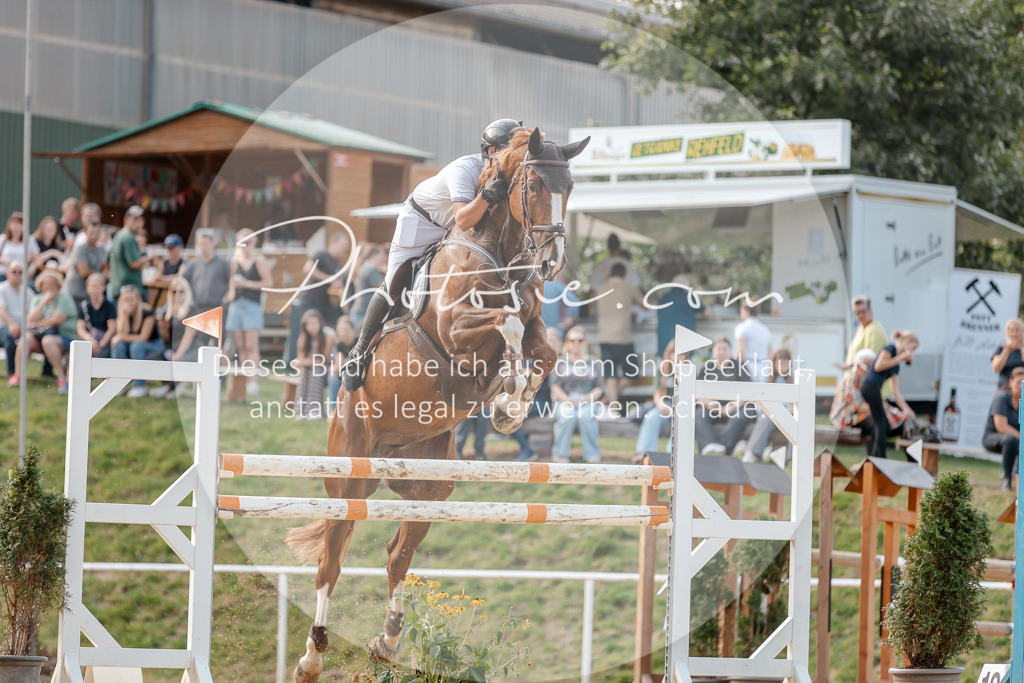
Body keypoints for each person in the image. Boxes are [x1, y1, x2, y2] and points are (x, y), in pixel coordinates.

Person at [342, 118, 523, 391]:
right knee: (394, 282)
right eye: (511, 151)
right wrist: (485, 196)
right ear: (491, 152)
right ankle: (358, 351)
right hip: (422, 222)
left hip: (456, 231)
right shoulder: (466, 169)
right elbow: (463, 218)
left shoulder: (510, 175)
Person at [285, 231, 350, 366]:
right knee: (305, 332)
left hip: (324, 303)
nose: (345, 249)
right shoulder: (322, 255)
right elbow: (307, 269)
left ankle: (314, 363)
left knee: (319, 334)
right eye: (343, 245)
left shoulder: (336, 263)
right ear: (334, 243)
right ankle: (296, 363)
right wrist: (329, 279)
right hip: (310, 299)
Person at [10, 268, 77, 394]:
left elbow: (58, 319)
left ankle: (62, 378)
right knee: (26, 340)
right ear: (40, 285)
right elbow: (31, 318)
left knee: (48, 341)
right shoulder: (38, 298)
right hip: (41, 336)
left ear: (57, 284)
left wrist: (39, 322)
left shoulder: (64, 298)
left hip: (64, 337)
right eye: (45, 283)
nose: (49, 286)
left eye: (52, 283)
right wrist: (44, 301)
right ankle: (18, 375)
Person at [226, 228, 273, 397]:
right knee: (241, 345)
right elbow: (231, 281)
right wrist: (230, 294)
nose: (244, 245)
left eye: (247, 242)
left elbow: (268, 282)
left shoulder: (258, 259)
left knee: (251, 345)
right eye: (241, 242)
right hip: (237, 305)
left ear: (253, 243)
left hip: (252, 305)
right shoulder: (234, 260)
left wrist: (246, 283)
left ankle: (253, 381)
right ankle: (245, 378)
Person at [595, 262, 645, 415]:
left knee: (610, 374)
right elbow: (645, 305)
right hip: (623, 337)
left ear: (610, 274)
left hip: (604, 336)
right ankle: (609, 403)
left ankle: (610, 405)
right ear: (624, 275)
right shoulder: (629, 287)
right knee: (632, 374)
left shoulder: (601, 288)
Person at [549, 326, 605, 463]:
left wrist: (587, 398)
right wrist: (566, 399)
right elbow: (554, 386)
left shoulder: (594, 363)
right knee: (567, 417)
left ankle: (592, 454)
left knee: (585, 416)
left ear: (586, 342)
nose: (576, 343)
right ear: (567, 342)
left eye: (580, 340)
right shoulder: (560, 361)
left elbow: (599, 388)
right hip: (564, 401)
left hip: (587, 401)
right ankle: (560, 454)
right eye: (572, 340)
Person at [860, 330, 918, 459]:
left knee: (882, 424)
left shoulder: (896, 365)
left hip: (875, 388)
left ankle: (874, 457)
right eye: (912, 349)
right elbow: (878, 366)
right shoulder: (890, 349)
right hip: (869, 386)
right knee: (881, 422)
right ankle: (880, 460)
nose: (911, 353)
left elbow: (895, 392)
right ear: (907, 342)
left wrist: (908, 411)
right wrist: (901, 357)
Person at [694, 336, 754, 455]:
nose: (722, 352)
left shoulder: (739, 366)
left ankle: (722, 449)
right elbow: (697, 393)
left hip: (735, 407)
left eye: (725, 349)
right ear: (713, 351)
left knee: (742, 416)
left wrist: (732, 407)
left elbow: (749, 392)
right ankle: (709, 447)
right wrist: (710, 404)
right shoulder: (706, 368)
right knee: (699, 415)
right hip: (712, 408)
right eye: (719, 349)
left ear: (730, 350)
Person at [148, 276, 204, 398]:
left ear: (187, 292)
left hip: (191, 348)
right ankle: (171, 386)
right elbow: (166, 340)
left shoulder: (192, 309)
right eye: (174, 291)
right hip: (173, 347)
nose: (177, 294)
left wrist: (177, 355)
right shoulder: (167, 311)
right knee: (152, 359)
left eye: (181, 291)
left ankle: (176, 387)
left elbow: (188, 337)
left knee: (178, 362)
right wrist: (164, 329)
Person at [111, 284, 165, 398]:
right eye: (125, 299)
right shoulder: (122, 313)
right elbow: (122, 333)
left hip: (154, 345)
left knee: (136, 346)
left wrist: (120, 337)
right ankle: (117, 384)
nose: (128, 302)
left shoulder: (147, 312)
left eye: (131, 299)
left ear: (137, 299)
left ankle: (139, 385)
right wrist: (125, 316)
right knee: (119, 346)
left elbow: (143, 338)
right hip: (134, 345)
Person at [742, 349, 795, 463]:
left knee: (795, 425)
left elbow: (795, 401)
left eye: (785, 364)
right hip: (769, 413)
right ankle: (751, 452)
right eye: (779, 364)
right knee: (765, 420)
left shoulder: (793, 379)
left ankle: (793, 457)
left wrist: (791, 407)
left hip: (787, 414)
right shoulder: (767, 377)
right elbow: (760, 399)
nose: (782, 367)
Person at [181, 228, 231, 345]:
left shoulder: (223, 263)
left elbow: (232, 282)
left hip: (217, 308)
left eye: (206, 243)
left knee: (218, 344)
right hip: (198, 309)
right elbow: (181, 281)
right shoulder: (193, 264)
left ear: (213, 244)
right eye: (200, 244)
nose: (203, 246)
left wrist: (227, 298)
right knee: (200, 345)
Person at [635, 338, 682, 455]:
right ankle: (645, 453)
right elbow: (657, 392)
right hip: (666, 404)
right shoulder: (662, 369)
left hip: (682, 405)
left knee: (681, 422)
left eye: (682, 355)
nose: (678, 357)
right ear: (669, 354)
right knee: (651, 417)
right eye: (675, 353)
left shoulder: (689, 371)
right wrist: (661, 405)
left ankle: (672, 455)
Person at [983, 365, 1023, 491]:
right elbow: (1001, 427)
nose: (1021, 387)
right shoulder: (1001, 399)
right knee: (1010, 439)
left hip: (1017, 440)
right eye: (1018, 383)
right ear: (1010, 382)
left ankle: (1019, 481)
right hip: (993, 438)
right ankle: (1007, 479)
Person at [293, 308, 335, 419]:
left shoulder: (328, 335)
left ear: (320, 323)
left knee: (316, 370)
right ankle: (300, 411)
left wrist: (305, 362)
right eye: (308, 324)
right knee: (305, 373)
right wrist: (298, 363)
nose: (311, 327)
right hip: (310, 369)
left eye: (313, 323)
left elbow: (323, 360)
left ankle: (315, 411)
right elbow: (302, 359)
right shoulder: (304, 338)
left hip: (329, 370)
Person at [655, 274, 709, 356]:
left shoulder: (663, 298)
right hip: (684, 347)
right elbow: (708, 314)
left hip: (664, 346)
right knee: (685, 367)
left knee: (666, 367)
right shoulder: (689, 297)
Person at [62, 217, 107, 308]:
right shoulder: (81, 248)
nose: (94, 235)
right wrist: (101, 276)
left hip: (87, 293)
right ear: (85, 232)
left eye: (97, 233)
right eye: (91, 233)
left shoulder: (101, 249)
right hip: (74, 293)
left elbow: (105, 267)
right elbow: (84, 272)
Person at [108, 205, 148, 300]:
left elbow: (107, 259)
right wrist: (150, 257)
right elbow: (133, 264)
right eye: (135, 219)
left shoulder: (118, 235)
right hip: (129, 291)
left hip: (118, 288)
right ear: (126, 220)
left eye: (140, 220)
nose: (139, 224)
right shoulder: (128, 237)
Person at [75, 273, 117, 359]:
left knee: (100, 357)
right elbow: (80, 329)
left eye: (97, 286)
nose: (94, 289)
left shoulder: (110, 305)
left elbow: (112, 329)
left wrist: (101, 345)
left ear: (103, 287)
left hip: (105, 341)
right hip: (90, 339)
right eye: (92, 286)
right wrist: (90, 340)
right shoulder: (84, 306)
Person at [0, 262, 30, 381]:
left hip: (24, 328)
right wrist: (12, 324)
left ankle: (47, 371)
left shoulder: (28, 292)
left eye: (20, 272)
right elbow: (1, 310)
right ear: (8, 274)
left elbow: (32, 313)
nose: (17, 274)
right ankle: (12, 372)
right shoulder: (1, 289)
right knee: (11, 335)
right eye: (14, 271)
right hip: (4, 326)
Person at [844, 295, 887, 369]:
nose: (860, 315)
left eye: (863, 312)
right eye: (857, 313)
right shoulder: (861, 328)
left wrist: (851, 366)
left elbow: (870, 361)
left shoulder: (874, 330)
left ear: (870, 310)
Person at [349, 244, 387, 327]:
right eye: (381, 256)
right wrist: (387, 273)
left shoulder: (363, 267)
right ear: (375, 255)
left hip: (358, 311)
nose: (382, 259)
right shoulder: (371, 270)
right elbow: (385, 289)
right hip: (364, 313)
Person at [326, 315, 356, 416]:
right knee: (333, 377)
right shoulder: (340, 345)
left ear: (353, 330)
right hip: (346, 371)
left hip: (358, 372)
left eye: (346, 330)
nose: (343, 333)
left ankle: (349, 411)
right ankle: (333, 411)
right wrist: (334, 367)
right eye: (340, 330)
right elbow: (339, 363)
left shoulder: (359, 343)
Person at [735, 302, 772, 381]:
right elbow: (770, 353)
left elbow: (741, 351)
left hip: (748, 366)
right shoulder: (765, 329)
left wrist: (733, 366)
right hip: (765, 367)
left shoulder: (741, 327)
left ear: (746, 311)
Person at [0, 213, 39, 283]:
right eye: (14, 224)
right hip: (3, 275)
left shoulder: (29, 240)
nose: (17, 227)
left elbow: (37, 259)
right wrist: (5, 261)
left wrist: (32, 268)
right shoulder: (3, 239)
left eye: (20, 224)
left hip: (23, 276)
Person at [540, 272, 580, 341]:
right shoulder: (555, 284)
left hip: (536, 333)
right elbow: (574, 301)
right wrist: (567, 321)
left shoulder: (531, 285)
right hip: (555, 332)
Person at [991, 318, 1024, 390]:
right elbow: (996, 368)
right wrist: (1007, 350)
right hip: (1004, 389)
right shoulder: (1001, 349)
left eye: (1017, 330)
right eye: (1011, 330)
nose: (1014, 334)